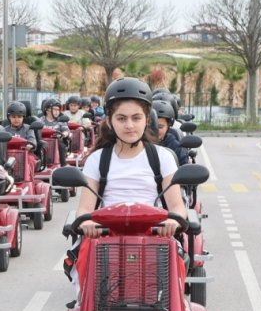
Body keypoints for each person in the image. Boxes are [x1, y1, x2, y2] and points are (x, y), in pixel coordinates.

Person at [73, 78, 186, 239]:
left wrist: (172, 221)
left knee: (178, 261)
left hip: (154, 240)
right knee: (80, 262)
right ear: (110, 122)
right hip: (106, 242)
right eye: (121, 118)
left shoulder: (163, 157)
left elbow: (177, 207)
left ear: (147, 120)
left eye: (136, 118)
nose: (129, 125)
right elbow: (84, 209)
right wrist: (87, 223)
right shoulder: (97, 160)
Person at [152, 99, 190, 166]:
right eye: (151, 126)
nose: (155, 130)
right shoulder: (137, 146)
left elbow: (184, 172)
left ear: (168, 126)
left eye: (160, 127)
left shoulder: (177, 149)